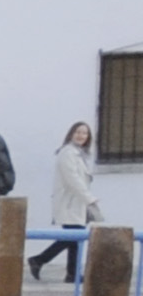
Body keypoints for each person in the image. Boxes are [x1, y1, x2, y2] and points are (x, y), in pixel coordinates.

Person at [29, 121, 101, 282]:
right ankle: (39, 260)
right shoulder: (67, 153)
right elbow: (72, 179)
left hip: (76, 203)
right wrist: (89, 198)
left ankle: (71, 274)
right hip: (70, 203)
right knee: (72, 236)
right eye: (78, 132)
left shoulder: (79, 154)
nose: (81, 136)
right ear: (71, 133)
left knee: (74, 239)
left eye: (84, 133)